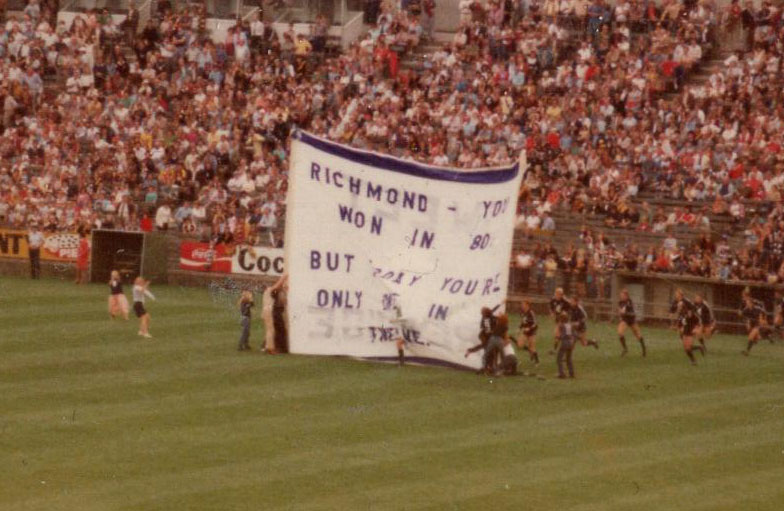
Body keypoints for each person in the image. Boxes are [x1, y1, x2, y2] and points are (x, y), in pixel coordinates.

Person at [670, 289, 705, 365]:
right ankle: (699, 348)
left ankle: (694, 361)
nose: (676, 296)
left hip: (690, 325)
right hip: (686, 325)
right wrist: (675, 324)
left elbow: (695, 313)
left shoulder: (687, 305)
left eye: (677, 295)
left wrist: (691, 314)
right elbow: (674, 312)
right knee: (686, 348)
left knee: (687, 347)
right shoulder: (679, 308)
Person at [617, 288, 646, 357]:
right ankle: (625, 349)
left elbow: (624, 309)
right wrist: (620, 313)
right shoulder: (620, 302)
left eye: (623, 295)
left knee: (638, 335)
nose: (621, 297)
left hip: (632, 320)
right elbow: (620, 310)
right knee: (620, 332)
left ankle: (644, 349)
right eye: (621, 295)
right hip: (625, 320)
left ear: (626, 296)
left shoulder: (629, 301)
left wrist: (622, 311)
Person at [515, 300, 539, 364]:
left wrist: (529, 328)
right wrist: (519, 328)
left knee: (532, 347)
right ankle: (530, 352)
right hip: (525, 332)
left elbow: (535, 323)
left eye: (523, 304)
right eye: (522, 304)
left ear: (527, 305)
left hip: (532, 332)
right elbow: (523, 322)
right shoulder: (523, 312)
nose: (522, 306)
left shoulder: (531, 312)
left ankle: (537, 361)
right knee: (519, 345)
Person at [555, 313, 576, 379]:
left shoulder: (561, 326)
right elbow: (574, 335)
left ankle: (562, 374)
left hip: (565, 342)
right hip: (571, 342)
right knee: (569, 359)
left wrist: (556, 343)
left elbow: (558, 336)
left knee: (559, 359)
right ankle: (571, 373)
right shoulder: (570, 325)